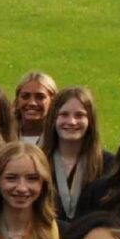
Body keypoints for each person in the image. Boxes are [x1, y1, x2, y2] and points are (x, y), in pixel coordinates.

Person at [46, 87, 107, 221]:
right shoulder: (37, 161)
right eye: (64, 115)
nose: (71, 122)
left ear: (90, 120)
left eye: (79, 115)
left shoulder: (108, 164)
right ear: (53, 118)